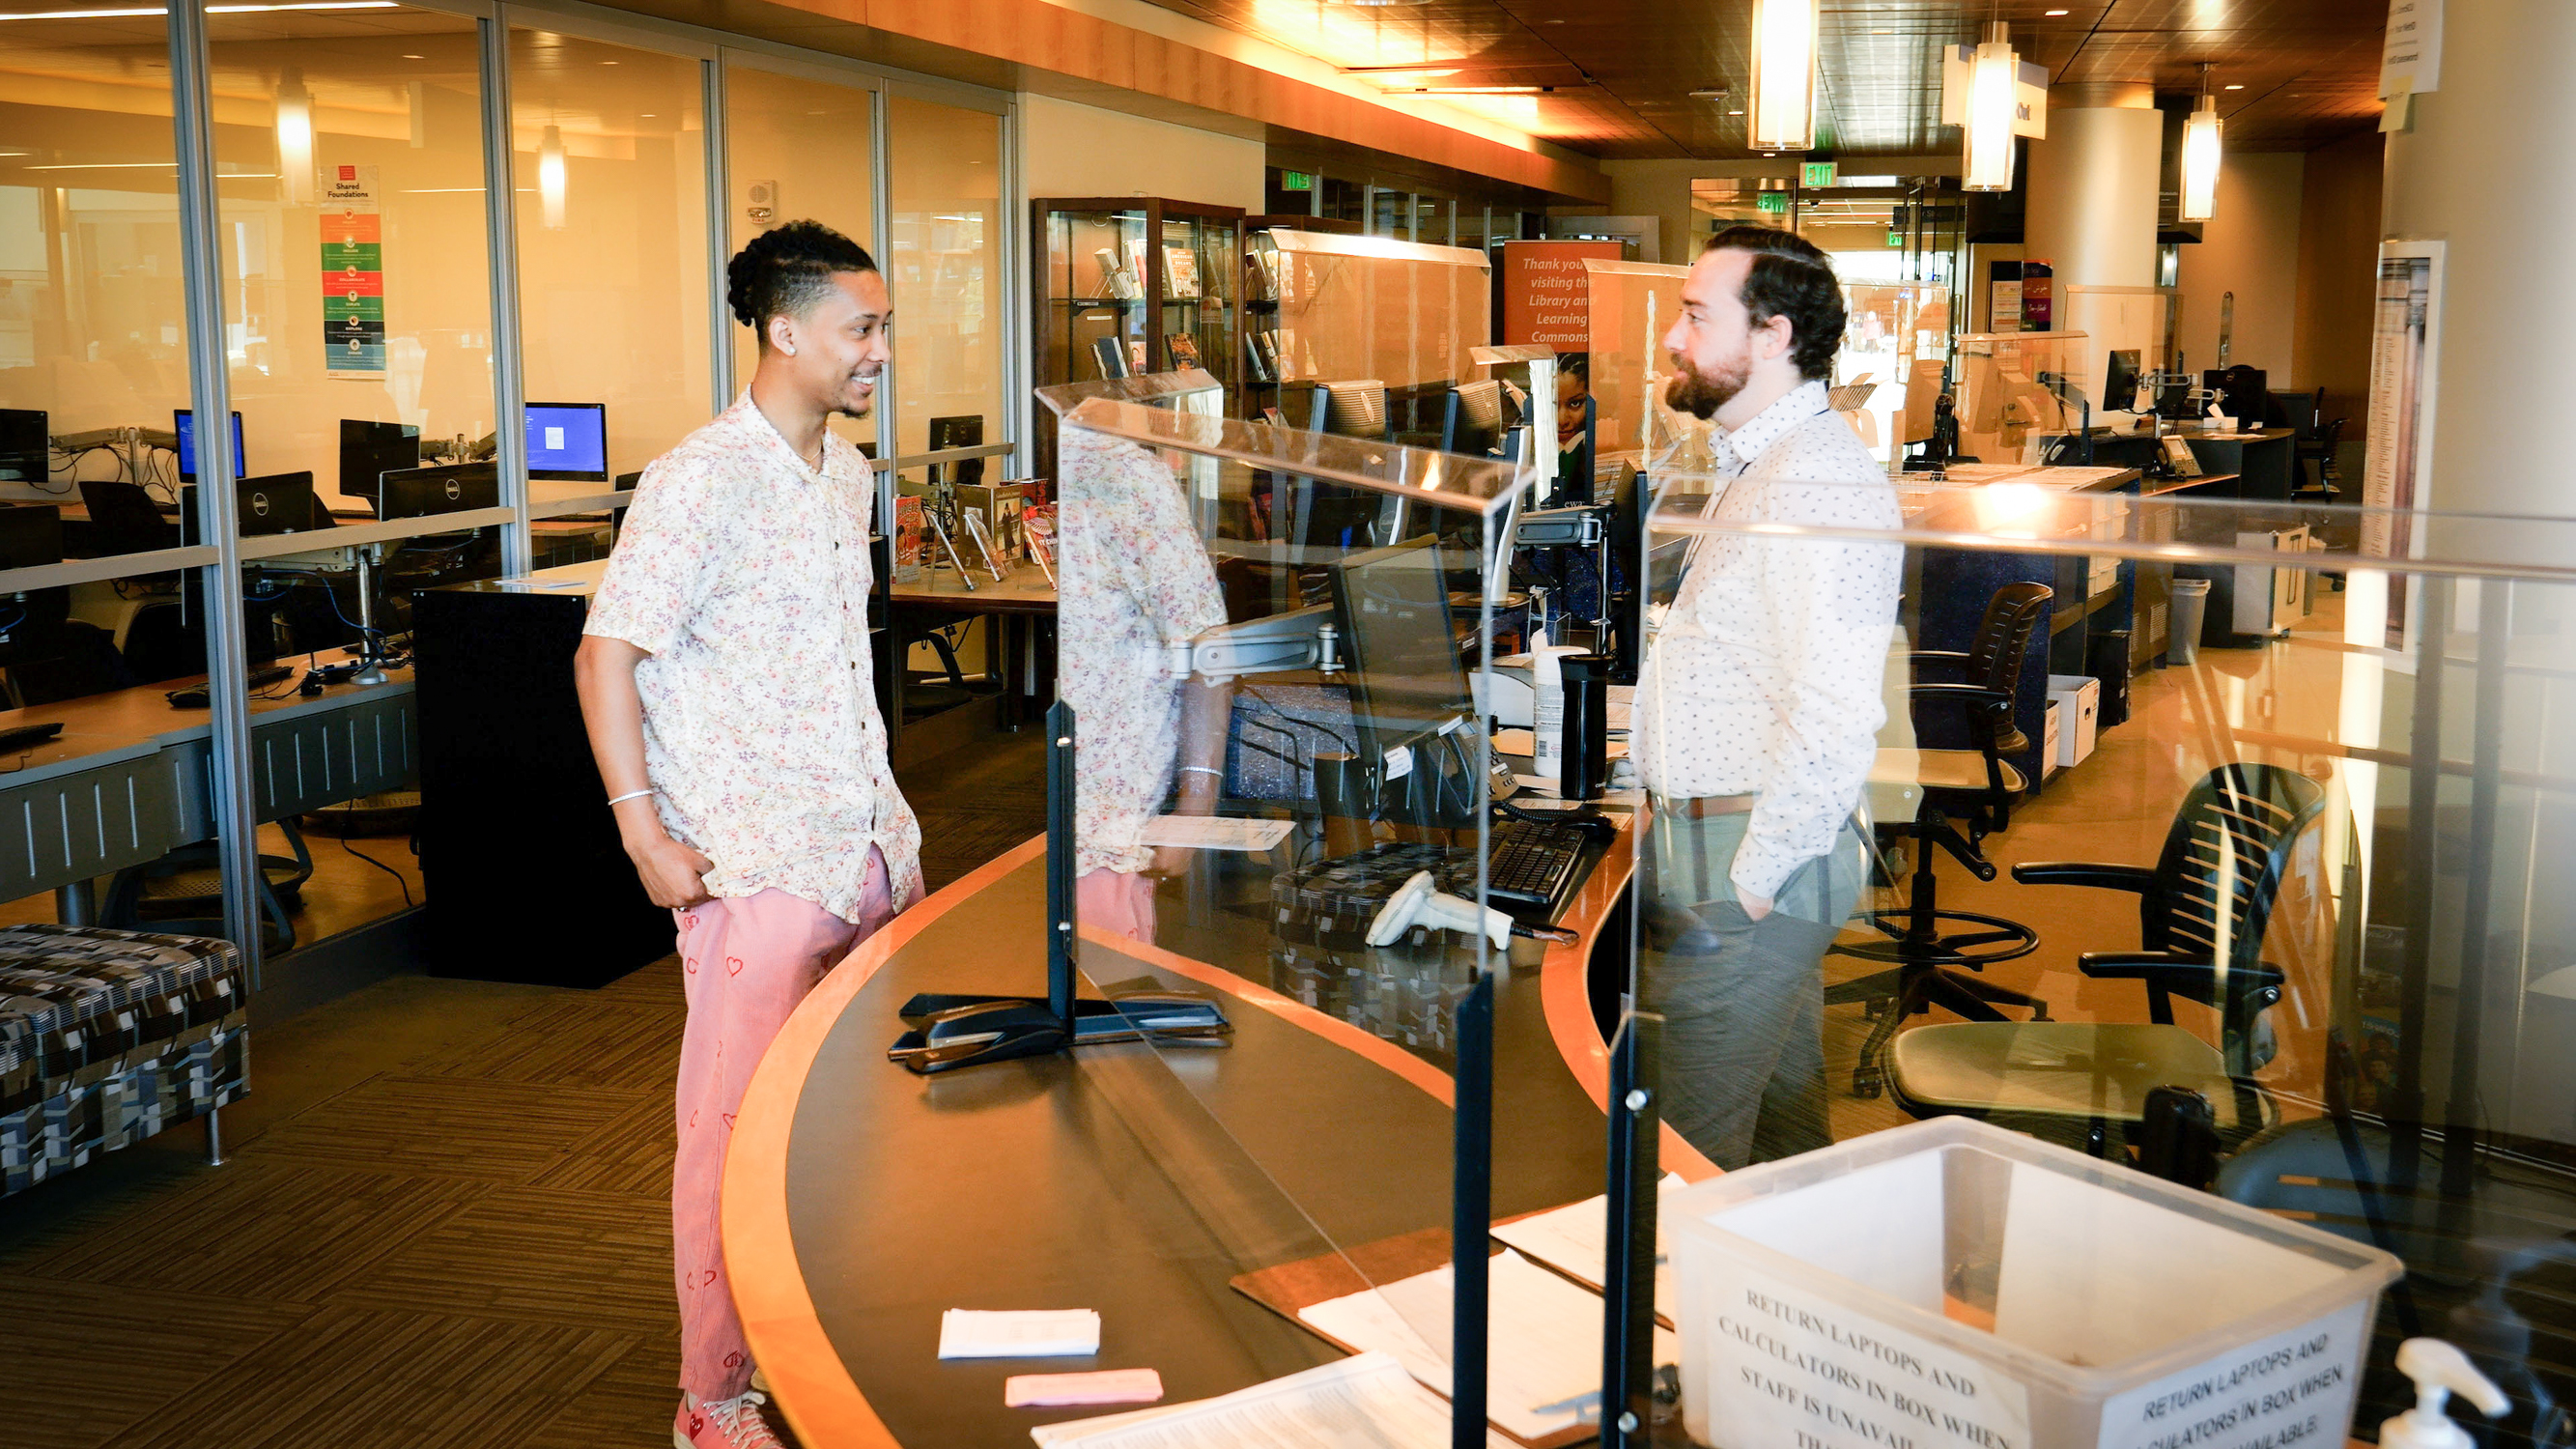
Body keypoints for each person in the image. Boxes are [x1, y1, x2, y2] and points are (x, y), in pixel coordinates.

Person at [573, 219, 924, 1449]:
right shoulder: (699, 478)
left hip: (864, 845)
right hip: (759, 863)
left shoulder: (847, 475)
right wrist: (644, 838)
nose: (880, 350)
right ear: (784, 330)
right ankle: (711, 1401)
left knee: (838, 1134)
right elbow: (606, 654)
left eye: (881, 327)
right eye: (860, 328)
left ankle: (812, 1347)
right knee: (731, 1138)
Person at [1628, 224, 1901, 1171]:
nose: (1673, 338)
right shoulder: (1763, 464)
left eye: (1698, 316)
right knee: (1782, 1151)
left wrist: (1747, 888)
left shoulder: (1818, 482)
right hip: (1735, 843)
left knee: (1682, 1165)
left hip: (1750, 855)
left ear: (1773, 337)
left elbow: (1835, 722)